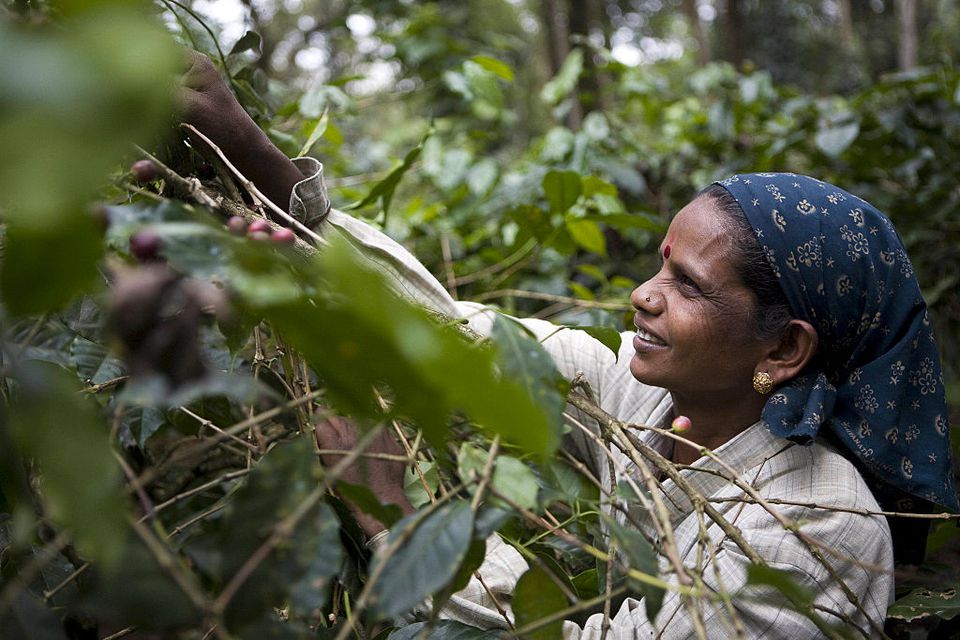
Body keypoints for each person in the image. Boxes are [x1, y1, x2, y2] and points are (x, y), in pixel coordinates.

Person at [178, 53, 958, 637]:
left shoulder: (814, 526)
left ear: (785, 350)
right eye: (660, 265)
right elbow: (451, 334)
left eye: (688, 286)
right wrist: (260, 170)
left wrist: (395, 511)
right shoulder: (650, 398)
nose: (643, 295)